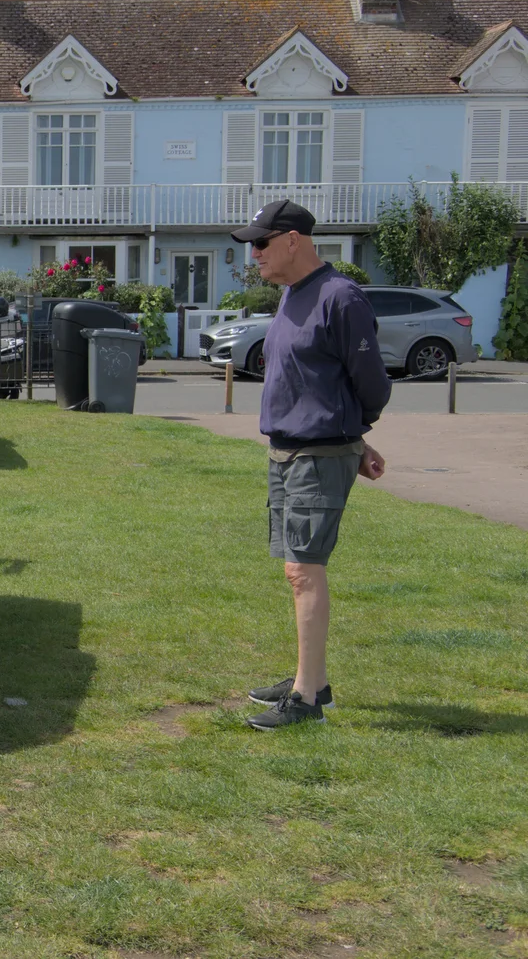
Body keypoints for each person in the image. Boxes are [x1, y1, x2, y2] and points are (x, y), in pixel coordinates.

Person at [229, 199, 390, 731]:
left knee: (303, 570)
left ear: (292, 239)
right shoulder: (293, 296)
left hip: (318, 452)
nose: (254, 255)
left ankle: (308, 701)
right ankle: (311, 678)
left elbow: (370, 383)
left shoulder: (339, 297)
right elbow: (314, 380)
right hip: (289, 449)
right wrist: (356, 438)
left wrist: (350, 434)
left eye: (261, 243)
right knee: (294, 568)